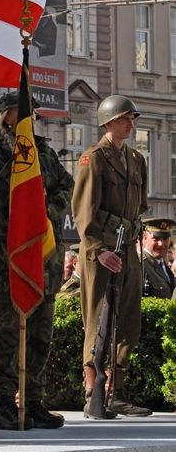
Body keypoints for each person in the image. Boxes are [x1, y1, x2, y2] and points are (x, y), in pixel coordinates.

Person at [0, 91, 73, 430]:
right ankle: (3, 402)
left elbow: (65, 187)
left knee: (41, 333)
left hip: (43, 257)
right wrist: (18, 172)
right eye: (25, 111)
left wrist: (45, 209)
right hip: (7, 258)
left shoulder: (44, 150)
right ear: (7, 116)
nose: (34, 116)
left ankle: (32, 402)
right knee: (8, 333)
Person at [72, 94, 151, 418]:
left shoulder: (136, 159)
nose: (130, 123)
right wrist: (99, 250)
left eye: (132, 118)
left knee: (128, 322)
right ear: (108, 122)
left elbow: (139, 208)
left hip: (128, 249)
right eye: (124, 118)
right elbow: (83, 213)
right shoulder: (94, 159)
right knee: (98, 320)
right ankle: (93, 389)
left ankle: (115, 391)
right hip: (101, 253)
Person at [141, 218, 176, 298]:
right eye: (156, 239)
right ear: (145, 237)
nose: (161, 244)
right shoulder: (139, 265)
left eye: (165, 239)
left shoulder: (164, 266)